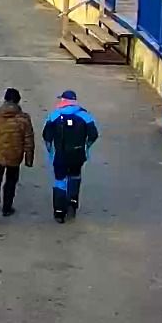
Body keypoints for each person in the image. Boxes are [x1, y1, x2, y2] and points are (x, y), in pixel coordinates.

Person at [42, 90, 99, 223]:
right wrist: (87, 146)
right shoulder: (85, 115)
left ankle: (59, 212)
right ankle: (72, 203)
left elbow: (47, 136)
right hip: (78, 154)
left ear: (63, 100)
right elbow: (93, 135)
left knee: (60, 181)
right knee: (75, 177)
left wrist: (50, 151)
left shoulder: (55, 115)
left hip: (60, 155)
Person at [0, 87, 35, 225]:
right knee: (11, 181)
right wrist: (28, 159)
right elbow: (28, 140)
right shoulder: (23, 119)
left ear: (4, 99)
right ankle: (7, 207)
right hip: (15, 155)